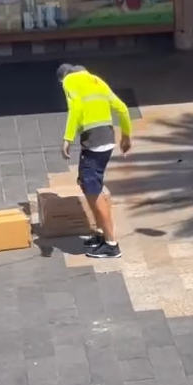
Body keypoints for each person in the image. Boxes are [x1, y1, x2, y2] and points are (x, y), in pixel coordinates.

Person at [57, 63, 132, 259]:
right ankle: (101, 234)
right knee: (85, 182)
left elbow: (75, 108)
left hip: (94, 143)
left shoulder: (69, 80)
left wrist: (68, 138)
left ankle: (111, 244)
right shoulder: (96, 81)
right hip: (106, 140)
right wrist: (126, 137)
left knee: (93, 190)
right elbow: (122, 109)